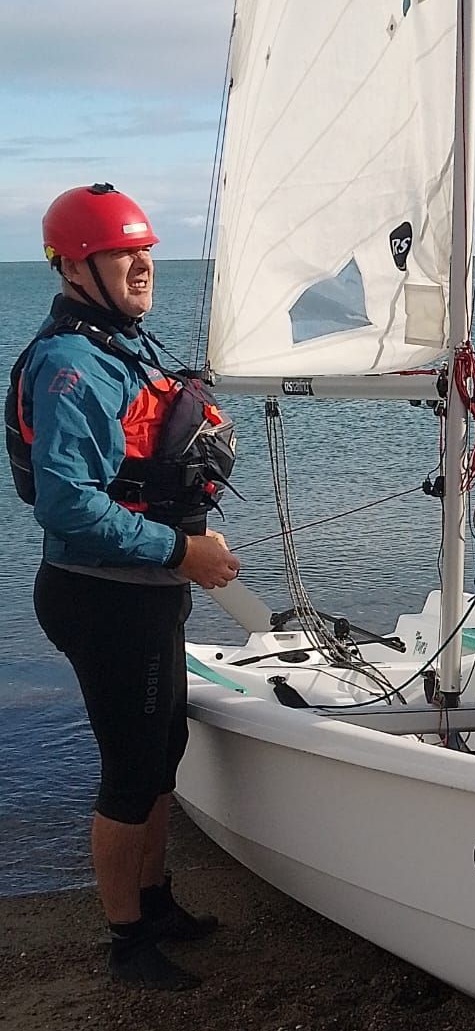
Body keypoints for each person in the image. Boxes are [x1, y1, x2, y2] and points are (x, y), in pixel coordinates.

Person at [6, 183, 242, 990]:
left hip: (145, 588)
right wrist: (181, 550)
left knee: (164, 750)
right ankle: (127, 944)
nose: (142, 265)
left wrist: (180, 551)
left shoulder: (118, 343)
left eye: (144, 250)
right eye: (121, 254)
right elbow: (68, 505)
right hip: (100, 597)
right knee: (130, 769)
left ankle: (157, 900)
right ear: (77, 267)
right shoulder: (70, 364)